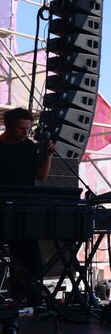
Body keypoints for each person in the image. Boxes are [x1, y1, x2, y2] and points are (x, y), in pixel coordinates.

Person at [0, 108, 55, 305]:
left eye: (27, 129)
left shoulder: (29, 147)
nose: (25, 133)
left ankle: (33, 303)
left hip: (23, 210)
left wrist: (47, 156)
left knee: (31, 258)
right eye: (21, 129)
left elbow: (41, 176)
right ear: (8, 126)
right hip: (2, 208)